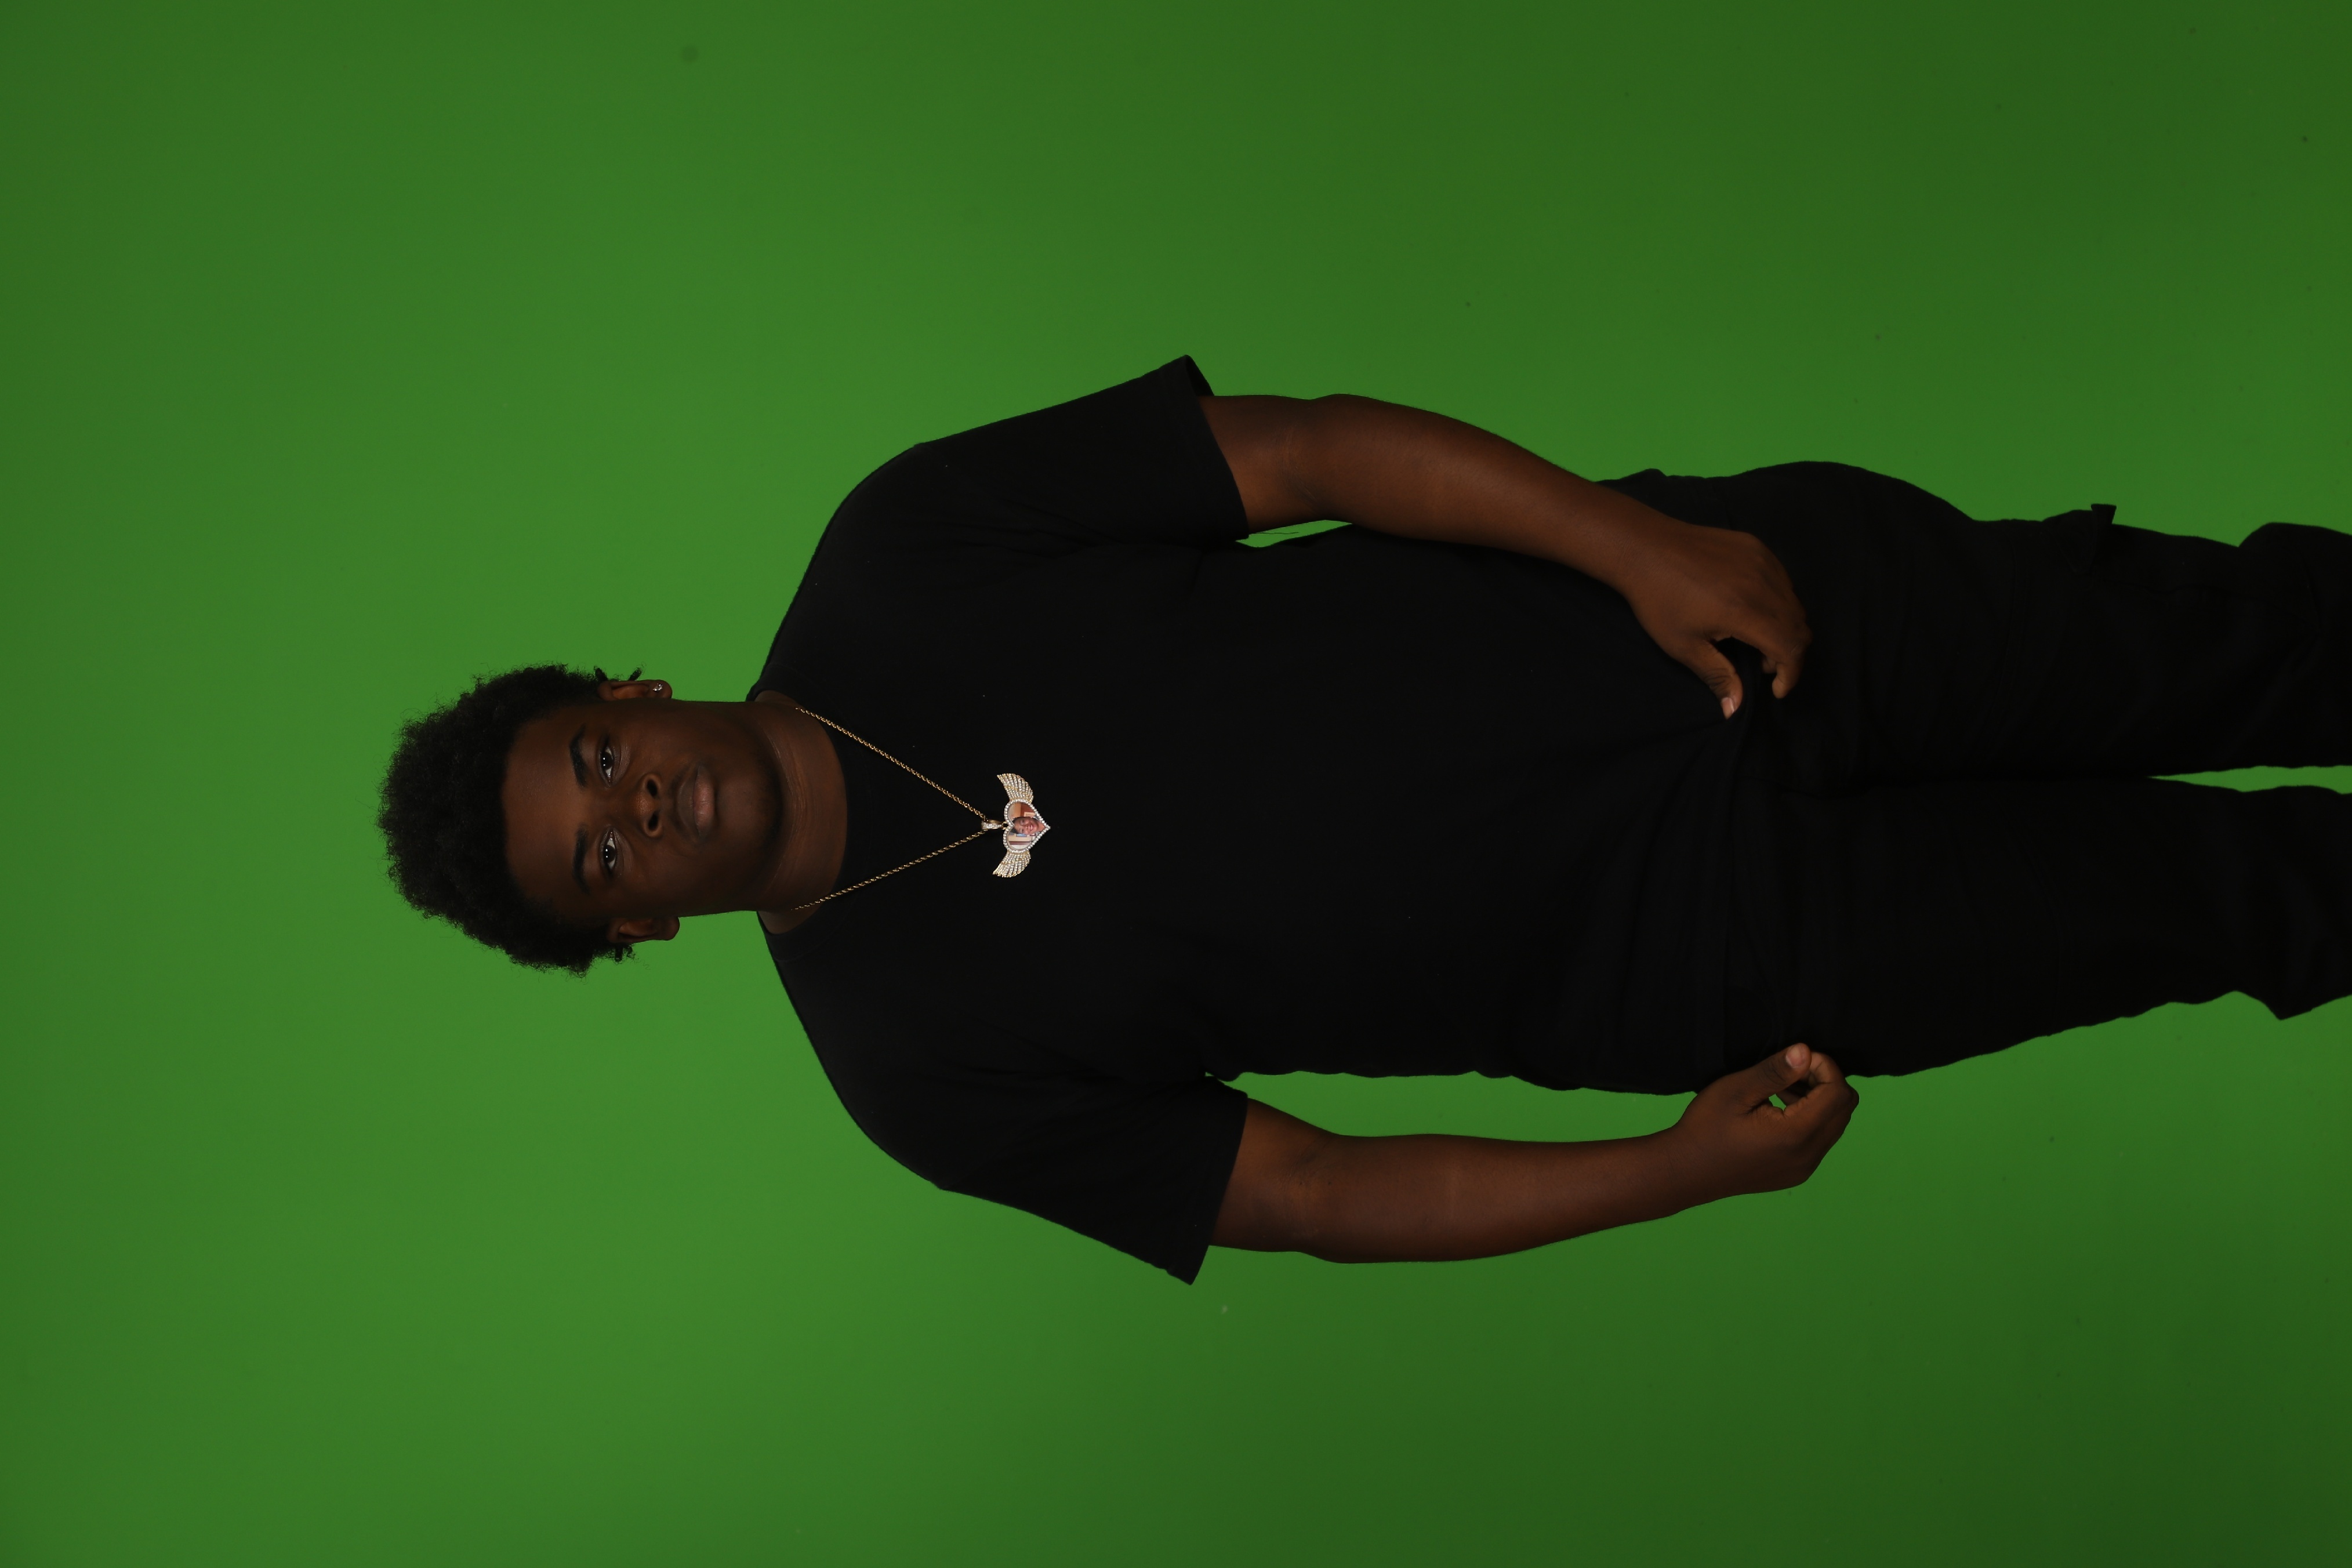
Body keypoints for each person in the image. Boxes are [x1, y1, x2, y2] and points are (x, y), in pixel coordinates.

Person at [378, 358, 2352, 1282]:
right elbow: (1317, 1194)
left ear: (629, 691)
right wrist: (1669, 1174)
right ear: (633, 931)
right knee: (2233, 905)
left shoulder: (906, 547)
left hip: (1723, 621)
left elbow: (1313, 453)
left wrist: (1635, 545)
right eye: (603, 857)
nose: (640, 806)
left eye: (599, 761)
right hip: (1723, 949)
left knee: (2251, 638)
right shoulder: (917, 1075)